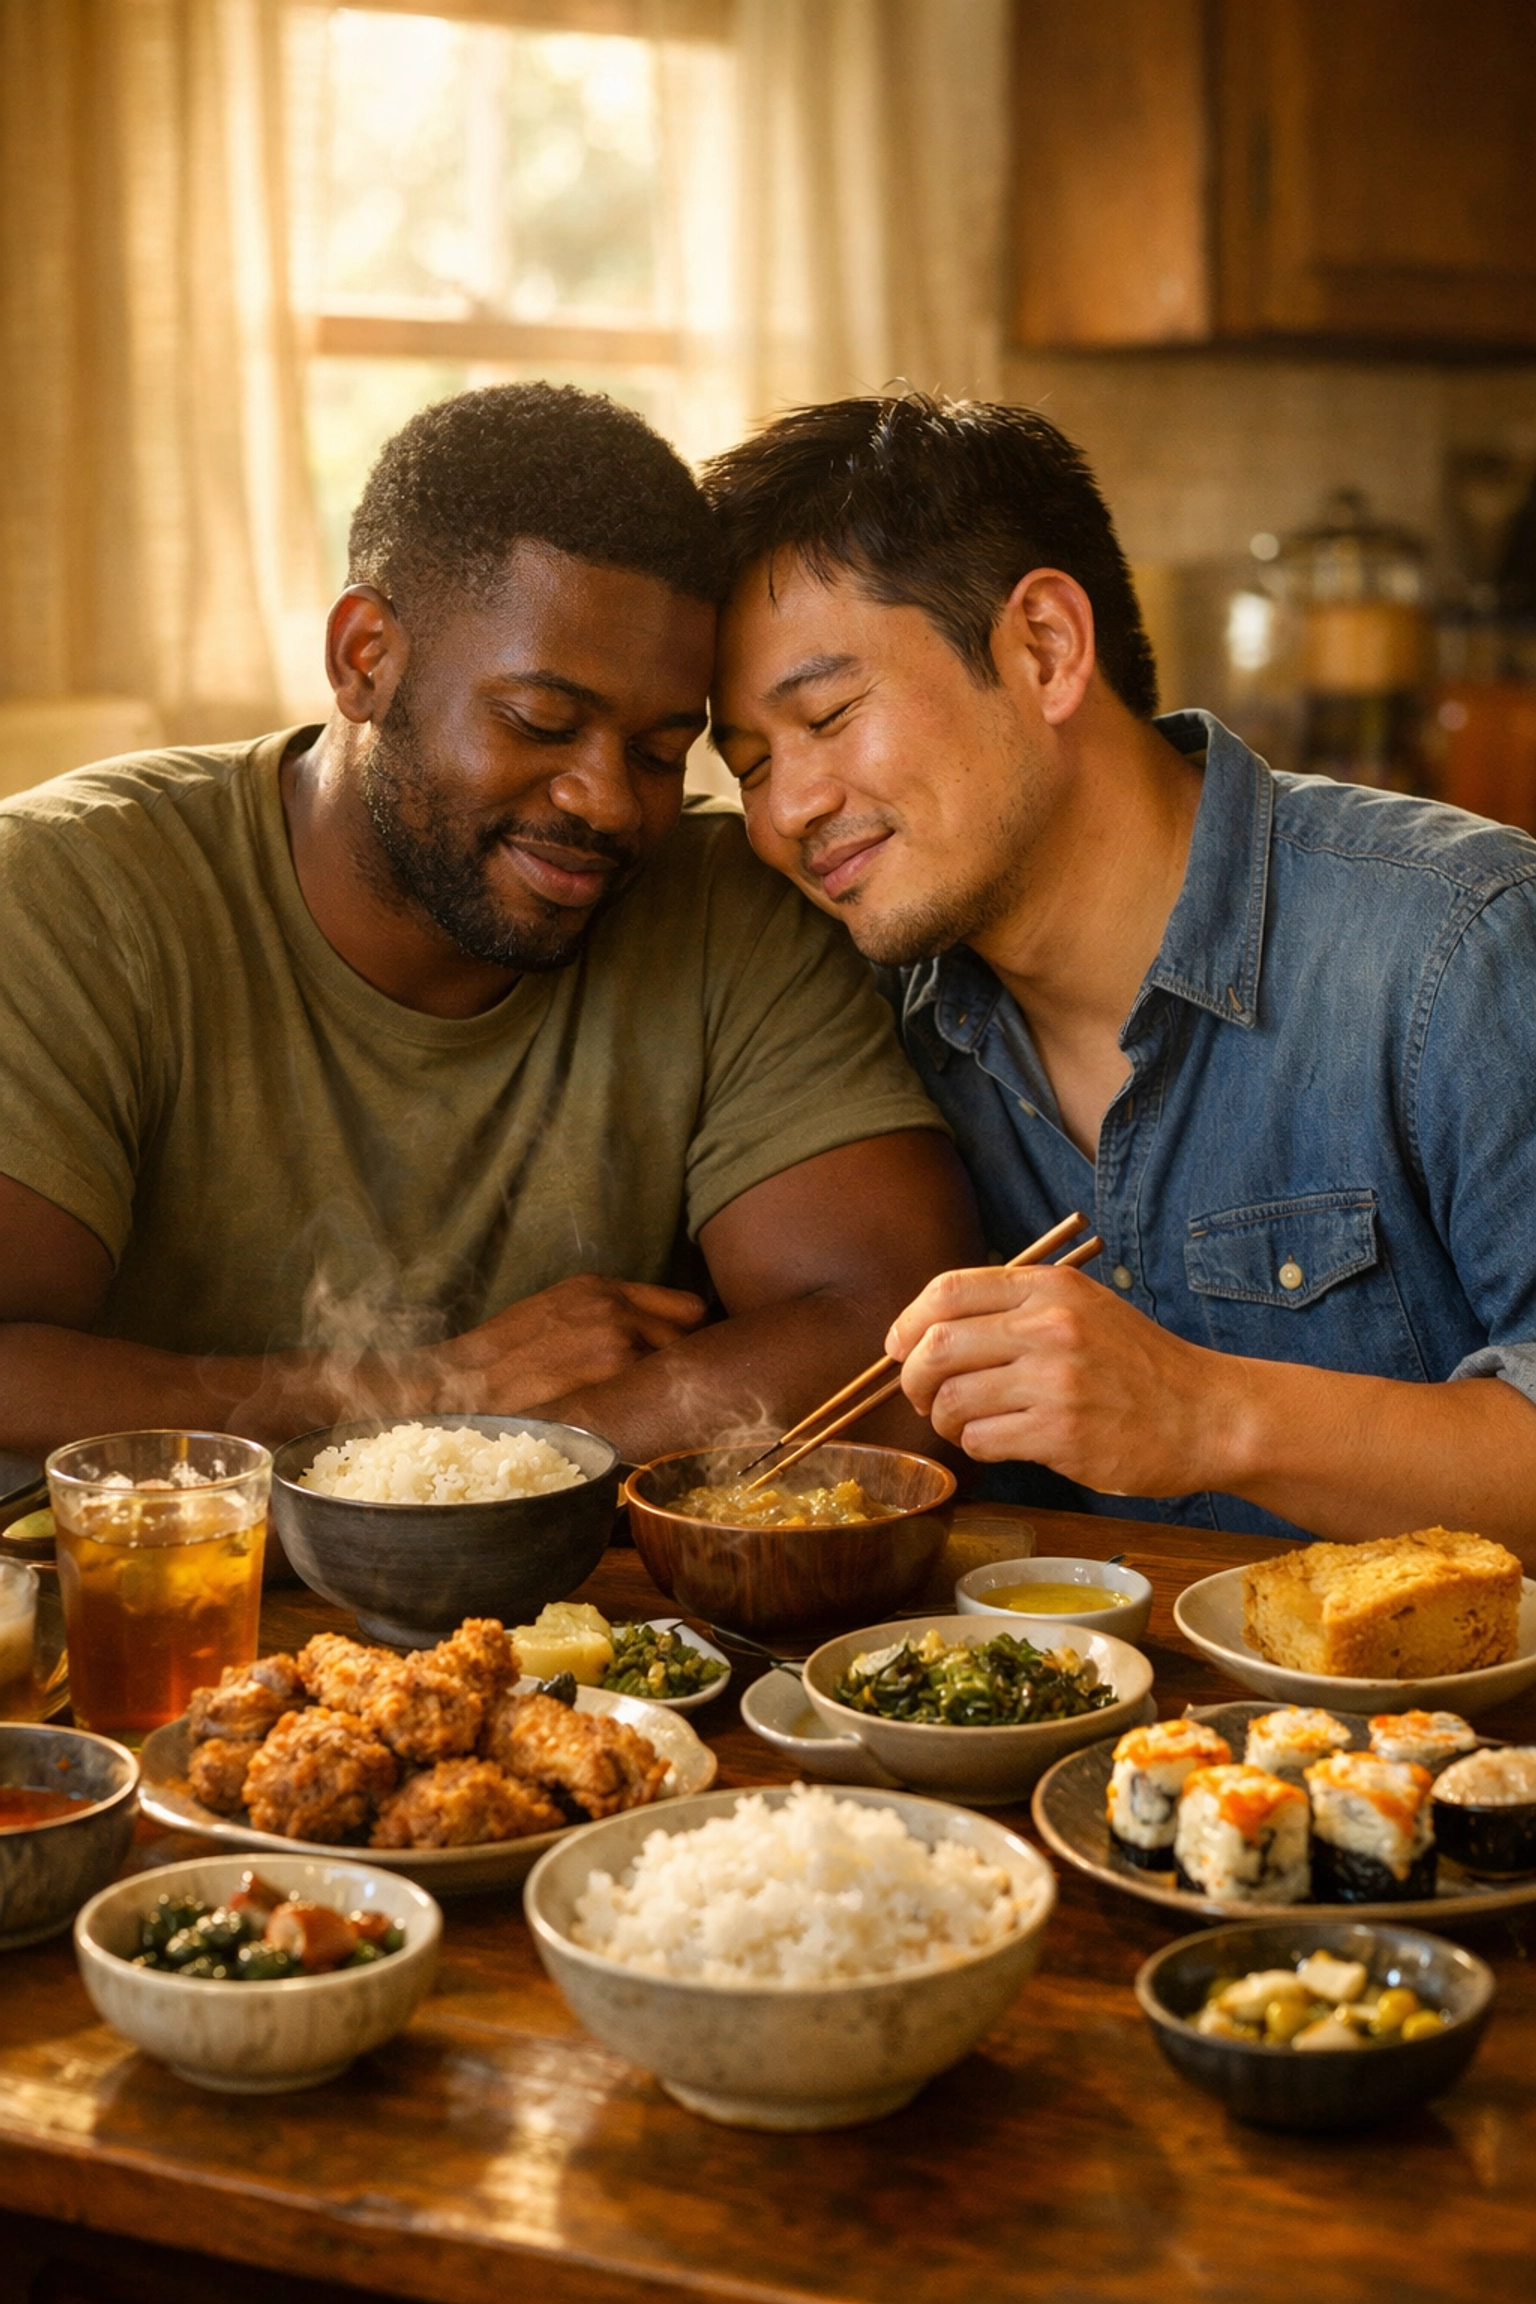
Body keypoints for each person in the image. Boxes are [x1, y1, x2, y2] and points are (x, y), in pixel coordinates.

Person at [0, 384, 979, 1466]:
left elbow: (896, 1339)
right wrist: (428, 1393)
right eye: (541, 723)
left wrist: (499, 1454)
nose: (607, 802)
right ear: (364, 658)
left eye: (660, 752)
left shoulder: (721, 907)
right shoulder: (64, 893)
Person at [703, 392, 1536, 1554]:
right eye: (748, 768)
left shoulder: (1459, 942)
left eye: (831, 715)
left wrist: (1205, 1413)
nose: (788, 809)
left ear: (1044, 647)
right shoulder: (866, 1026)